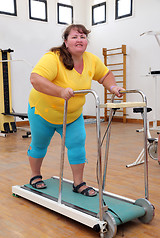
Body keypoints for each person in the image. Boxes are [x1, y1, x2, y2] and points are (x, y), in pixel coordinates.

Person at [27, 24, 124, 197]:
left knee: (77, 145)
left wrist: (113, 87)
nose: (79, 40)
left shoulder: (91, 60)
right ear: (66, 42)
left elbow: (105, 75)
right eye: (74, 37)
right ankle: (35, 175)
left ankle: (78, 183)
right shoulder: (53, 58)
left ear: (86, 41)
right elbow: (35, 79)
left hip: (72, 115)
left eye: (83, 37)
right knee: (39, 146)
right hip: (43, 112)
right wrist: (60, 91)